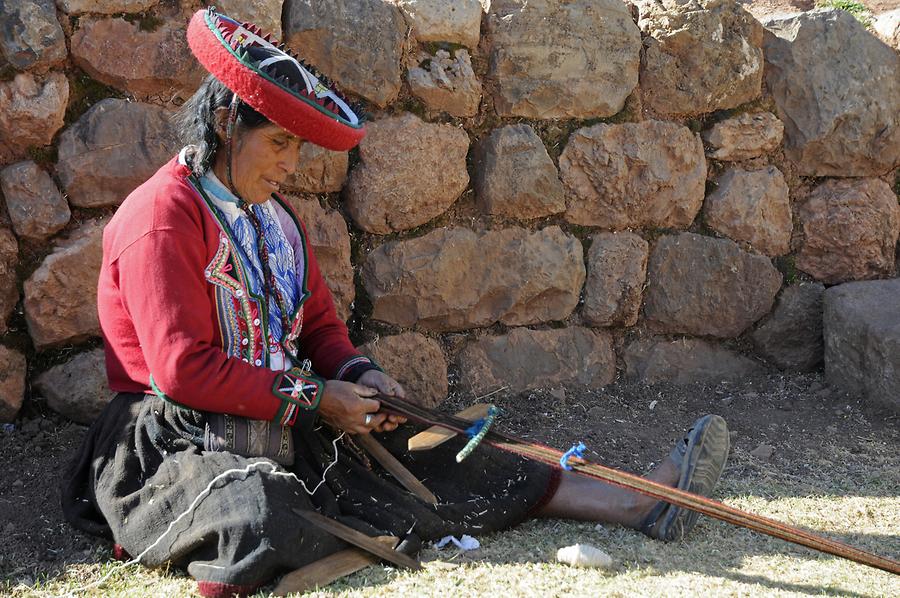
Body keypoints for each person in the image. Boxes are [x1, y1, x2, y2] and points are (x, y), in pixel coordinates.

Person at [61, 8, 730, 597]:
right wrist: (320, 399)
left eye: (296, 146)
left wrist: (358, 377)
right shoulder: (163, 219)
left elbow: (320, 328)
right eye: (281, 142)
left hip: (287, 416)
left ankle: (636, 504)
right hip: (179, 434)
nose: (292, 164)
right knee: (258, 512)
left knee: (440, 438)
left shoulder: (273, 220)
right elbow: (182, 372)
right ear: (227, 123)